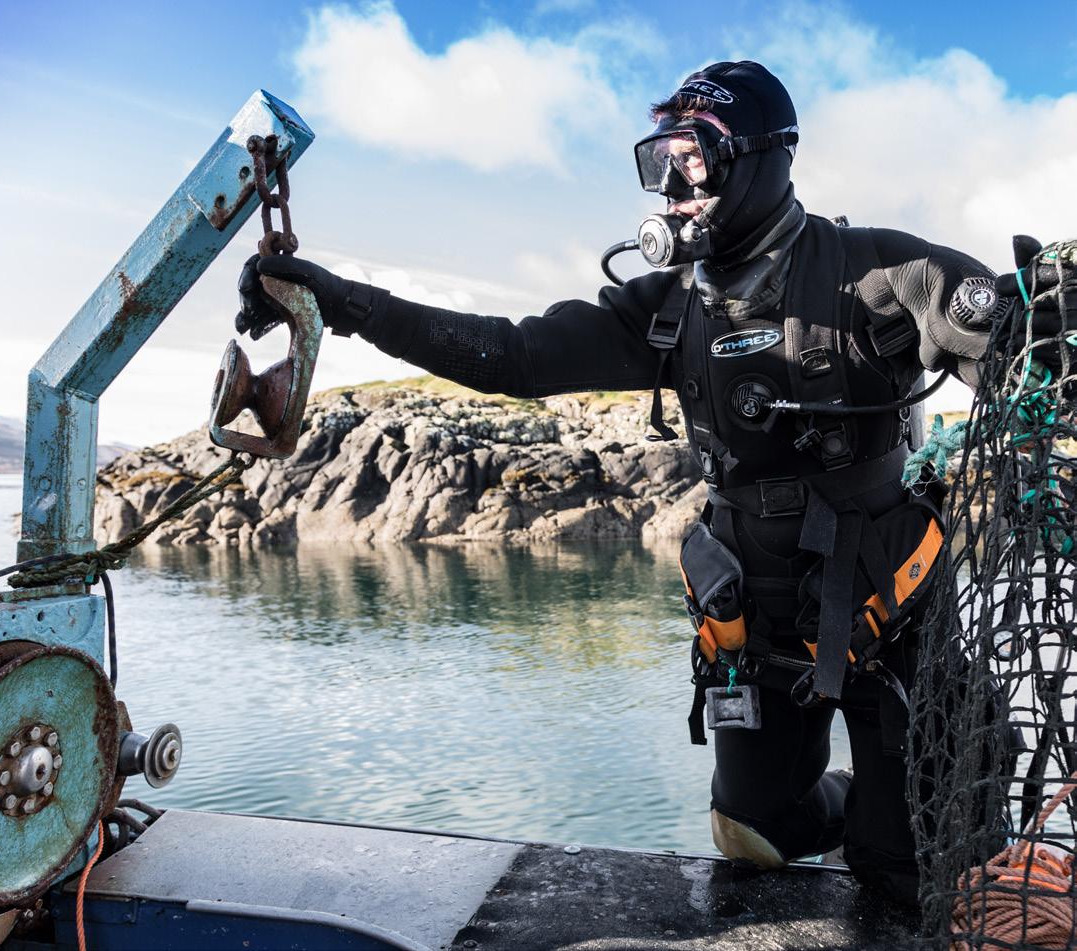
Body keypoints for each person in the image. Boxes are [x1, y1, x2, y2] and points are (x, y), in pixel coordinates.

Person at [236, 60, 1075, 904]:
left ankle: (912, 802)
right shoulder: (669, 308)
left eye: (694, 156)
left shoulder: (882, 273)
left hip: (886, 615)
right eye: (659, 160)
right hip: (756, 624)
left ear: (763, 157)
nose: (672, 184)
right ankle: (870, 807)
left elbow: (1016, 344)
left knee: (905, 871)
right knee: (752, 834)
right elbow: (513, 354)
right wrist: (343, 305)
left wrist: (1039, 327)